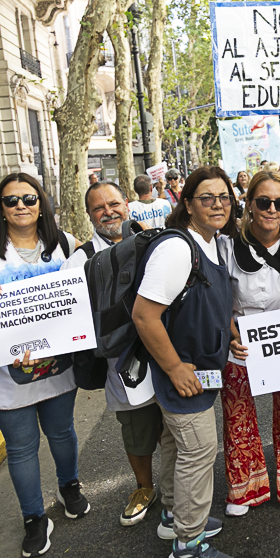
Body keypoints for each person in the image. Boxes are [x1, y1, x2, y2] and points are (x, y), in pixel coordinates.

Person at [0, 173, 88, 558]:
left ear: (41, 204)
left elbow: (84, 292)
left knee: (62, 432)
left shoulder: (65, 243)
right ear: (0, 208)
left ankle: (69, 486)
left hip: (58, 365)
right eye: (11, 200)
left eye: (29, 199)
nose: (21, 206)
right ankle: (34, 517)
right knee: (20, 447)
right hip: (6, 372)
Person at [131, 166, 237, 558]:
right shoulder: (178, 249)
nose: (217, 204)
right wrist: (174, 368)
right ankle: (188, 546)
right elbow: (145, 316)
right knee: (199, 450)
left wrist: (229, 332)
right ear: (188, 204)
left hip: (199, 370)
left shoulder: (211, 242)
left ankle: (174, 515)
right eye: (207, 197)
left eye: (224, 197)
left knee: (177, 446)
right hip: (182, 374)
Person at [64, 181, 163, 526]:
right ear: (89, 215)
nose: (108, 212)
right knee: (136, 431)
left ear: (127, 205)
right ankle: (144, 488)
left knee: (178, 427)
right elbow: (68, 316)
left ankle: (181, 492)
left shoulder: (154, 242)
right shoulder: (79, 261)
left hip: (167, 355)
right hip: (122, 363)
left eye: (114, 204)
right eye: (98, 208)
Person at [220, 171, 280, 516]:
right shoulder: (226, 243)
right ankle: (245, 489)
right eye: (263, 202)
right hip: (240, 344)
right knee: (238, 416)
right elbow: (219, 301)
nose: (272, 209)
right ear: (248, 204)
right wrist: (231, 336)